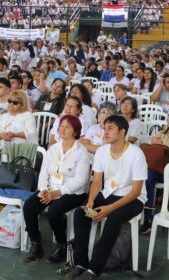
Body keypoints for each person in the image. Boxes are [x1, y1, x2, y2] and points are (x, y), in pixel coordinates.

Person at [66, 115, 147, 280]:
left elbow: (137, 191)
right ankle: (81, 264)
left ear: (122, 132)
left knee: (113, 219)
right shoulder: (102, 151)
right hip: (109, 193)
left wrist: (110, 209)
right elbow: (96, 181)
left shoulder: (136, 154)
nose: (105, 132)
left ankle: (94, 270)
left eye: (110, 128)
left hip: (133, 199)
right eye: (105, 128)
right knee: (81, 214)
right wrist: (90, 201)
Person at [23, 115, 90, 263]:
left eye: (67, 127)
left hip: (73, 193)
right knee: (29, 206)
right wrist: (43, 190)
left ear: (76, 131)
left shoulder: (81, 152)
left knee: (54, 210)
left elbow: (81, 180)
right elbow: (43, 173)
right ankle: (36, 243)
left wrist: (57, 193)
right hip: (50, 189)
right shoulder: (53, 149)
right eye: (61, 126)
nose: (62, 129)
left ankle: (61, 244)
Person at [139, 122, 169, 234]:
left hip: (167, 170)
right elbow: (151, 145)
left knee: (149, 176)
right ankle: (148, 219)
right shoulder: (161, 132)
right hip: (156, 168)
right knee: (148, 177)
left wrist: (162, 145)